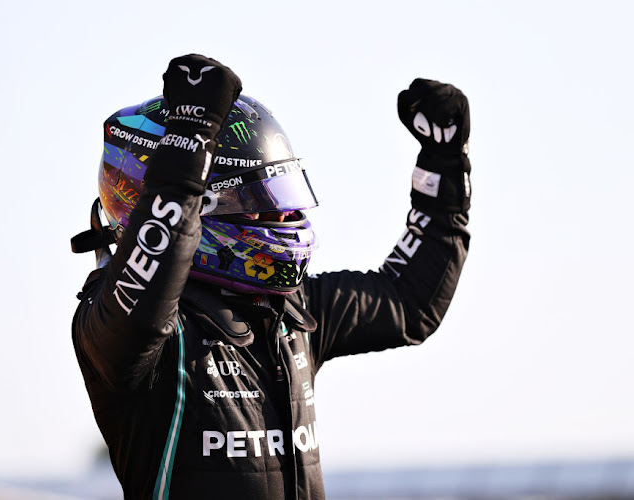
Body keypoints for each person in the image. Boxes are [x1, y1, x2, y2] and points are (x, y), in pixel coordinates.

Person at [70, 54, 471, 500]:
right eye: (256, 195)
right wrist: (189, 139)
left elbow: (409, 303)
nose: (284, 214)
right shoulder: (119, 326)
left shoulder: (292, 313)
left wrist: (445, 169)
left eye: (283, 194)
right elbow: (146, 291)